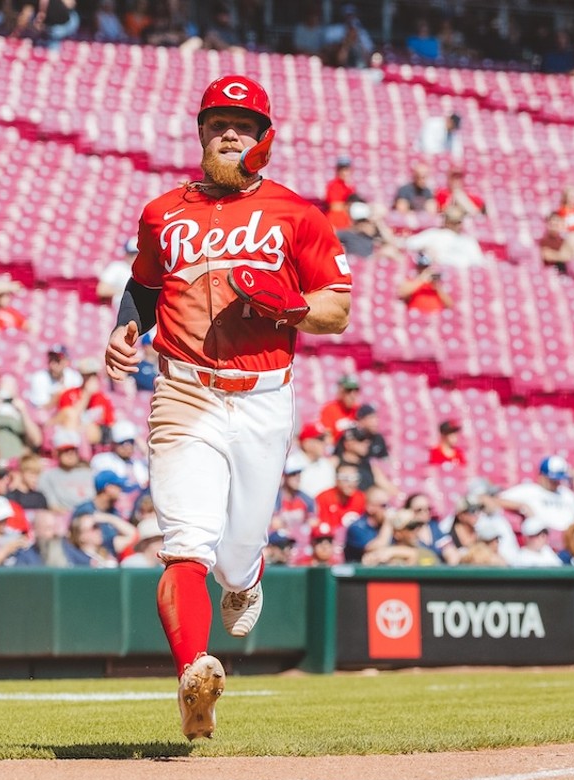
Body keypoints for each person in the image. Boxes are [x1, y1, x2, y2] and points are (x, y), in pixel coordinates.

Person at [103, 75, 352, 740]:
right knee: (186, 545)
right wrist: (126, 326)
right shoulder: (164, 212)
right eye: (218, 123)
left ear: (265, 136)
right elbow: (144, 283)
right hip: (184, 389)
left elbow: (337, 307)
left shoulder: (297, 213)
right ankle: (194, 675)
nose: (229, 133)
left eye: (243, 123)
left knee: (238, 555)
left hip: (265, 398)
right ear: (201, 132)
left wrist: (290, 306)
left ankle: (246, 577)